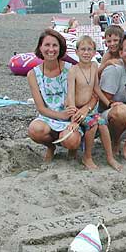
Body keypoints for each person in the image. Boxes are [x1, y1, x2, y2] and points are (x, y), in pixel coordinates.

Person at [65, 36, 122, 171]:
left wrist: (108, 103)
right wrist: (73, 116)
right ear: (77, 52)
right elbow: (70, 95)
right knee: (93, 124)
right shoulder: (73, 70)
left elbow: (96, 88)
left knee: (102, 124)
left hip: (90, 110)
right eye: (83, 49)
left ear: (95, 52)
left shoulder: (94, 66)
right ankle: (87, 157)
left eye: (89, 49)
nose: (86, 52)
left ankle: (110, 157)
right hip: (77, 110)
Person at [27, 29, 82, 162]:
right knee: (35, 130)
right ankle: (50, 146)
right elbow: (41, 108)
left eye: (55, 45)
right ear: (40, 47)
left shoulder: (71, 69)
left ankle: (72, 148)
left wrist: (72, 117)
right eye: (47, 45)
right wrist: (61, 115)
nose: (51, 49)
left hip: (71, 117)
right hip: (49, 117)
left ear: (60, 48)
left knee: (72, 141)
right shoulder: (33, 74)